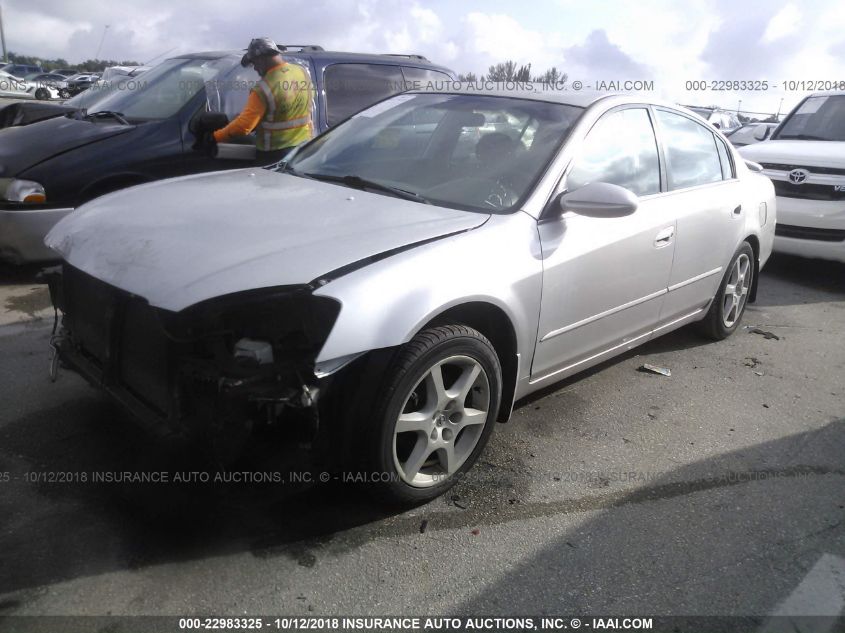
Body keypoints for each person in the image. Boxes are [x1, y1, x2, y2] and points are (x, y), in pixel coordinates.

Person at [213, 37, 314, 164]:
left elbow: (244, 126)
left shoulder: (264, 87)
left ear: (261, 58)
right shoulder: (301, 71)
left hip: (274, 154)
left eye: (254, 63)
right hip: (303, 148)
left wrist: (216, 137)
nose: (255, 68)